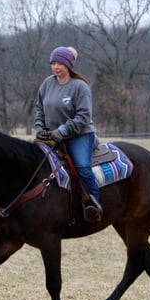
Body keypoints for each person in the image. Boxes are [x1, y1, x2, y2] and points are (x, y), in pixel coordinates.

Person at [34, 46, 103, 223]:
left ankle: (94, 205)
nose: (56, 67)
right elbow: (39, 108)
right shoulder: (47, 84)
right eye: (53, 63)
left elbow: (83, 117)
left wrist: (62, 132)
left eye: (60, 63)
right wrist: (40, 127)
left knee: (82, 167)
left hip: (79, 135)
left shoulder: (80, 87)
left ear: (68, 65)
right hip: (51, 136)